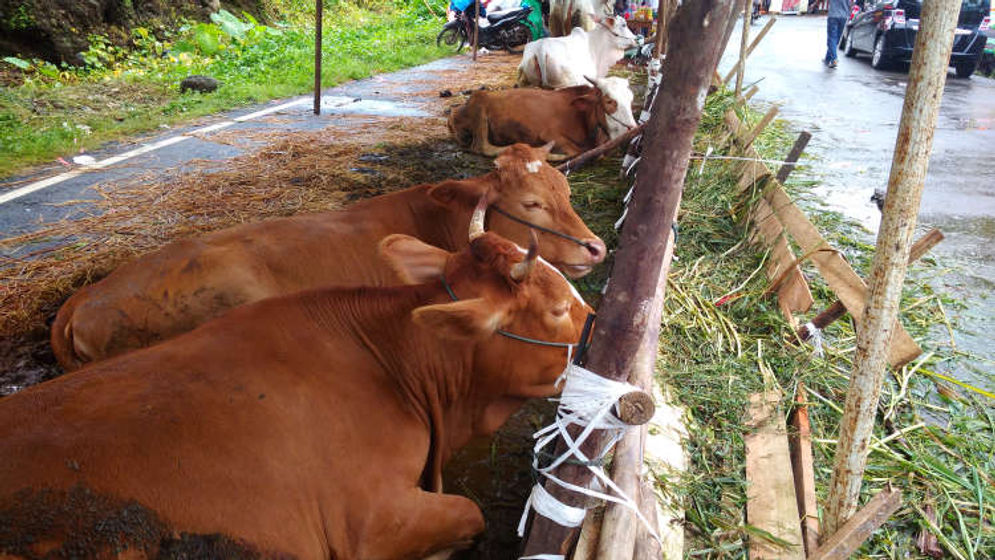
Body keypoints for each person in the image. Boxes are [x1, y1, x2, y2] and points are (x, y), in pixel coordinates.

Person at [824, 0, 852, 68]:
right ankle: (828, 58)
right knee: (836, 38)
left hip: (833, 15)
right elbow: (851, 4)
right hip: (844, 16)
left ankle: (834, 59)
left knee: (832, 38)